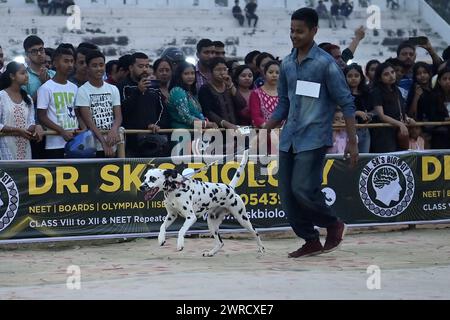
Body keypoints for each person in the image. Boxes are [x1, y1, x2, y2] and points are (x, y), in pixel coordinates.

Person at [263, 8, 358, 258]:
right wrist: (268, 125)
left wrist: (352, 142)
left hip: (314, 139)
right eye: (292, 31)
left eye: (300, 31)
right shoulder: (286, 64)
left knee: (302, 189)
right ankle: (310, 240)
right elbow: (284, 102)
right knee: (287, 197)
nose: (294, 35)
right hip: (289, 139)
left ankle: (333, 223)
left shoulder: (326, 64)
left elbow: (347, 103)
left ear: (314, 31)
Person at [117, 52, 170, 157]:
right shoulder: (122, 87)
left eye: (147, 66)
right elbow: (122, 111)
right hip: (131, 142)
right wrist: (138, 91)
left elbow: (163, 111)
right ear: (131, 67)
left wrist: (157, 124)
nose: (145, 69)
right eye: (140, 66)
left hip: (154, 139)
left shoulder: (153, 86)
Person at [75, 51, 122, 158]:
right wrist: (103, 143)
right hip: (93, 146)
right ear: (87, 68)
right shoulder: (82, 90)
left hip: (113, 143)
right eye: (94, 66)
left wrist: (114, 130)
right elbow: (89, 121)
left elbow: (118, 116)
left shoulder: (113, 89)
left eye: (101, 65)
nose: (99, 69)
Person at [37, 47, 79, 159]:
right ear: (55, 63)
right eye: (66, 61)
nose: (70, 65)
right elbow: (41, 116)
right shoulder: (45, 88)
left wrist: (83, 128)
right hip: (54, 144)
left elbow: (77, 113)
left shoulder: (74, 87)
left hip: (75, 142)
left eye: (71, 61)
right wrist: (61, 131)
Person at [0, 62, 44, 160]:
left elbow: (31, 122)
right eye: (23, 73)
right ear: (12, 76)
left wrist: (35, 127)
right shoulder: (1, 96)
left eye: (27, 73)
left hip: (25, 146)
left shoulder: (27, 98)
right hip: (5, 146)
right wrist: (17, 130)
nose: (27, 76)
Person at [168, 61, 217, 129]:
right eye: (186, 74)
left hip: (195, 132)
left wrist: (204, 120)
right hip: (182, 133)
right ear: (179, 75)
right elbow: (186, 117)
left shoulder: (190, 92)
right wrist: (206, 124)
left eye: (192, 73)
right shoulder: (177, 91)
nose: (190, 76)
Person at [344, 63, 372, 153]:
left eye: (356, 75)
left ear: (361, 77)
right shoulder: (342, 94)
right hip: (347, 131)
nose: (353, 78)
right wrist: (356, 113)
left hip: (364, 129)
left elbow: (372, 109)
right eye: (350, 76)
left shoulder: (366, 92)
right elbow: (339, 111)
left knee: (364, 158)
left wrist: (369, 115)